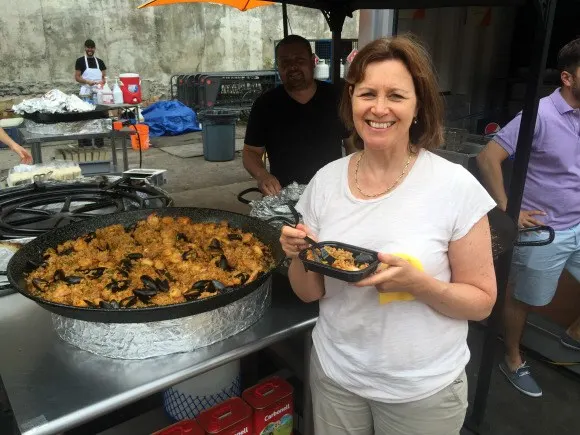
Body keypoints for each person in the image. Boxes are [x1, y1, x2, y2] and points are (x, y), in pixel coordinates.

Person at [280, 35, 497, 435]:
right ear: (352, 102)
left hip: (421, 391)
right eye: (367, 94)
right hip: (337, 377)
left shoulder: (454, 187)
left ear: (418, 107)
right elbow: (310, 293)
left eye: (396, 95)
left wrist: (419, 285)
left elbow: (481, 303)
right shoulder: (325, 182)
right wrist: (297, 253)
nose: (379, 109)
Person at [477, 38, 580, 398]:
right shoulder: (539, 116)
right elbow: (488, 158)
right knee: (523, 297)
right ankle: (513, 358)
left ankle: (573, 337)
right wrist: (509, 209)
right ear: (567, 77)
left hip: (579, 222)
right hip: (545, 231)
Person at [243, 34, 354, 196]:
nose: (293, 67)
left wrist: (354, 177)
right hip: (283, 195)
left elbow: (352, 143)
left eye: (299, 61)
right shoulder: (265, 104)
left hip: (332, 192)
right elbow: (250, 152)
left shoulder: (336, 97)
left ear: (312, 62)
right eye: (285, 62)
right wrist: (263, 175)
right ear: (279, 66)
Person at [75, 39, 106, 148]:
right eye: (88, 47)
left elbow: (103, 77)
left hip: (98, 93)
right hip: (86, 93)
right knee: (85, 117)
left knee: (99, 116)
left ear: (94, 49)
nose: (90, 49)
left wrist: (102, 83)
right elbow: (77, 77)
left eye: (92, 47)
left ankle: (99, 143)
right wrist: (87, 81)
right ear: (85, 48)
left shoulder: (100, 62)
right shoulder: (80, 61)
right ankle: (85, 144)